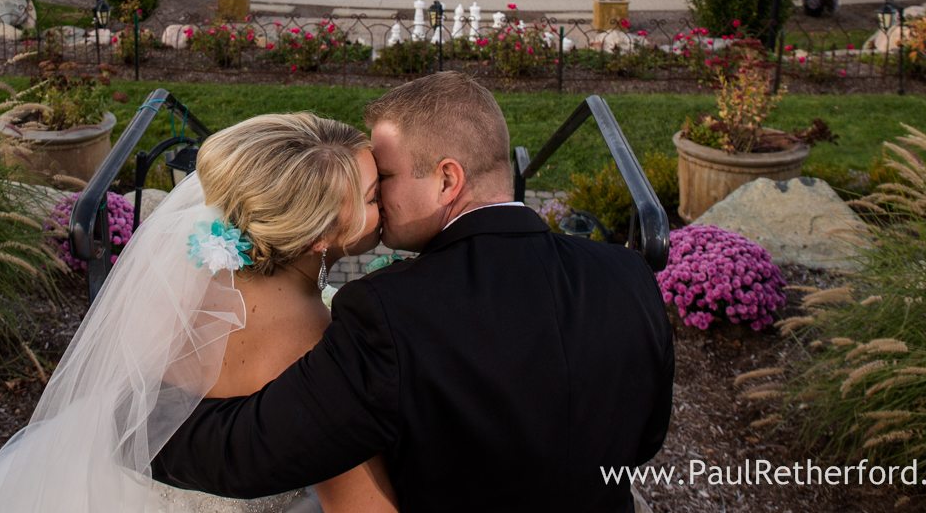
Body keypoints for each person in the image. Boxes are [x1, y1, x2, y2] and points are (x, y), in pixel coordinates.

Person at [153, 72, 674, 513]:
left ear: (448, 180)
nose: (377, 197)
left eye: (385, 177)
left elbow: (248, 453)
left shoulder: (388, 313)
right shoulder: (629, 276)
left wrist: (129, 419)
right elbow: (645, 440)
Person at [0, 113, 397, 513]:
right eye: (375, 197)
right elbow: (358, 500)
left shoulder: (194, 269)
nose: (387, 203)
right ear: (318, 236)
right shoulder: (311, 337)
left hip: (97, 481)